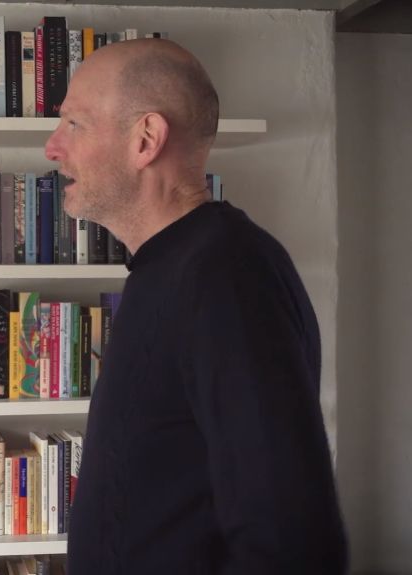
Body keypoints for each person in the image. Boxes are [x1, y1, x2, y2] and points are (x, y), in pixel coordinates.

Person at [44, 39, 348, 574]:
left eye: (74, 124)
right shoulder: (172, 266)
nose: (52, 147)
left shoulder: (227, 274)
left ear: (146, 140)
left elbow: (291, 540)